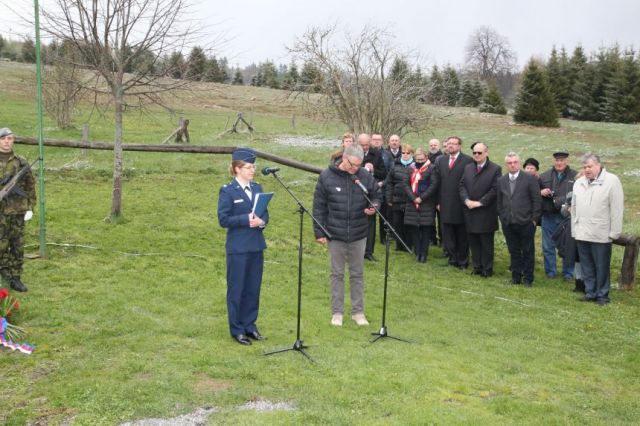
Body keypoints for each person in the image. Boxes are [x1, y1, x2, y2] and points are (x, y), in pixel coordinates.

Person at [313, 144, 380, 326]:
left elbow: (376, 195)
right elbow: (318, 207)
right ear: (344, 158)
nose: (355, 169)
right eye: (352, 164)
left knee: (357, 274)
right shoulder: (326, 176)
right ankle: (337, 312)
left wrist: (374, 207)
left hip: (359, 233)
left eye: (358, 165)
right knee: (337, 274)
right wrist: (319, 232)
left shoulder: (364, 176)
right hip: (335, 234)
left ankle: (358, 312)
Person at [217, 148, 269, 346]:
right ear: (237, 169)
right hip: (238, 247)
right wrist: (246, 219)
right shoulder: (228, 191)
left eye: (253, 167)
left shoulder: (257, 188)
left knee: (253, 288)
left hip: (256, 245)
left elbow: (266, 214)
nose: (252, 170)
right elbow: (223, 219)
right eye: (248, 167)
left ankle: (250, 325)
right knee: (237, 288)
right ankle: (237, 329)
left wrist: (261, 221)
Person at [571, 153, 623, 305]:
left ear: (598, 165)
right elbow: (574, 207)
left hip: (601, 233)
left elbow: (617, 209)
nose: (587, 169)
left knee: (601, 266)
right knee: (586, 265)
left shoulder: (612, 181)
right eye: (585, 166)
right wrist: (575, 229)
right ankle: (590, 292)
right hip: (582, 232)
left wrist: (614, 232)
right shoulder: (579, 182)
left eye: (590, 166)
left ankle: (602, 295)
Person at [497, 152, 542, 286]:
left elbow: (537, 200)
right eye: (510, 163)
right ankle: (516, 277)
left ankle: (528, 278)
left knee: (528, 251)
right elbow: (499, 201)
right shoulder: (501, 180)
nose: (512, 165)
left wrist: (534, 220)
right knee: (514, 251)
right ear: (506, 165)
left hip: (526, 222)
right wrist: (502, 217)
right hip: (509, 223)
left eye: (515, 162)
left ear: (519, 163)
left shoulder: (529, 179)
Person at [0, 128, 36, 293]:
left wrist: (30, 207)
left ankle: (15, 277)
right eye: (3, 139)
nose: (7, 141)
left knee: (17, 245)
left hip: (17, 211)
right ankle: (4, 270)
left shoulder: (21, 163)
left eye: (10, 138)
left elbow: (30, 186)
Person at [459, 142, 501, 277]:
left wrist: (480, 203)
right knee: (473, 242)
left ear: (486, 153)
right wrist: (466, 200)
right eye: (474, 153)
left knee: (486, 243)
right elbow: (461, 186)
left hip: (485, 212)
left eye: (479, 153)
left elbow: (495, 190)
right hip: (470, 211)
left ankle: (487, 269)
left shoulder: (495, 169)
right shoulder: (468, 168)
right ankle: (477, 267)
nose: (476, 155)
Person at [434, 136, 473, 268]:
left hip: (460, 204)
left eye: (453, 144)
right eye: (449, 144)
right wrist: (438, 201)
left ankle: (462, 261)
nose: (450, 146)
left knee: (461, 234)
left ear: (459, 146)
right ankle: (452, 259)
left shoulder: (467, 160)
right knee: (448, 234)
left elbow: (469, 182)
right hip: (445, 203)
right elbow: (438, 182)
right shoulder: (442, 160)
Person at [539, 151, 578, 280]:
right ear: (554, 161)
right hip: (548, 216)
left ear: (567, 161)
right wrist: (541, 191)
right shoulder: (544, 176)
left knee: (568, 245)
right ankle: (550, 272)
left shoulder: (576, 176)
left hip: (567, 217)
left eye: (562, 160)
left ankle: (568, 273)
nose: (559, 163)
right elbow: (535, 193)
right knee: (548, 246)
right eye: (557, 160)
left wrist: (559, 200)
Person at [403, 148, 438, 263]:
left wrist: (421, 198)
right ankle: (417, 252)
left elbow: (433, 185)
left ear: (426, 158)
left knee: (426, 230)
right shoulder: (410, 168)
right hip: (412, 203)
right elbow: (405, 184)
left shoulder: (432, 168)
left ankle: (424, 254)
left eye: (422, 159)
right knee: (414, 229)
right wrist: (414, 198)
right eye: (418, 159)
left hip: (426, 203)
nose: (420, 161)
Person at [359, 133, 386, 261]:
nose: (364, 147)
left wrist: (373, 170)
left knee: (371, 222)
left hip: (371, 191)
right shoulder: (353, 152)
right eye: (362, 145)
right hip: (356, 190)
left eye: (366, 145)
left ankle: (368, 252)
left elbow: (383, 172)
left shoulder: (376, 154)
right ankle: (356, 251)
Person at [384, 143, 414, 251]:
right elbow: (389, 183)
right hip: (396, 199)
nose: (405, 155)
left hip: (410, 200)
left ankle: (409, 244)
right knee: (397, 222)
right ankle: (399, 244)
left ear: (412, 154)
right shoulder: (394, 166)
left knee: (408, 223)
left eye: (408, 153)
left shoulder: (415, 167)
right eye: (403, 153)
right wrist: (389, 198)